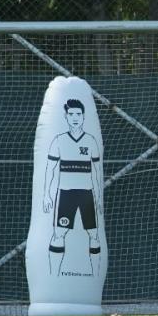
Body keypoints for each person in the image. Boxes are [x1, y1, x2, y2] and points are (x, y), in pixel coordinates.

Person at [42, 98, 103, 276]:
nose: (75, 117)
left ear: (83, 116)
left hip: (87, 195)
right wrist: (46, 195)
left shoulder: (91, 141)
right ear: (66, 117)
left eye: (78, 114)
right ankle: (54, 276)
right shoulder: (58, 140)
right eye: (71, 114)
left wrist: (99, 198)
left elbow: (97, 172)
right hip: (66, 195)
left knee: (94, 235)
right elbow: (50, 169)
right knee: (58, 234)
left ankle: (95, 275)